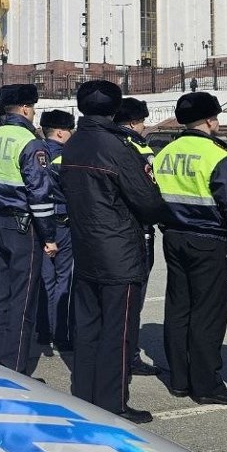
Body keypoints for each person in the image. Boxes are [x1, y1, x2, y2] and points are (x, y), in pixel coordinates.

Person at [60, 81, 170, 424]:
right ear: (114, 109)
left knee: (88, 325)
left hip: (85, 244)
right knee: (119, 330)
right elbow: (147, 201)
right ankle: (113, 402)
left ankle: (85, 393)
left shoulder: (75, 142)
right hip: (119, 247)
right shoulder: (118, 146)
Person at [154, 92, 227, 406]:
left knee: (179, 307)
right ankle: (206, 383)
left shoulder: (165, 153)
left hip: (174, 237)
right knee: (208, 313)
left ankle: (180, 379)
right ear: (211, 119)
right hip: (209, 241)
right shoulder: (216, 155)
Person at [0, 85, 58, 375]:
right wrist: (49, 236)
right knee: (23, 299)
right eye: (33, 108)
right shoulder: (30, 142)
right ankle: (16, 369)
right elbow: (40, 194)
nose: (34, 113)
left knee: (0, 294)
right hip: (24, 227)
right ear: (25, 108)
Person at [113, 97, 162, 377]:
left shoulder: (109, 144)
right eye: (142, 121)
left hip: (116, 230)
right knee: (134, 296)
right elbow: (147, 192)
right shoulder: (135, 148)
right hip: (138, 230)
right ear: (132, 123)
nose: (145, 127)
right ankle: (128, 355)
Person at [37, 109, 75, 352]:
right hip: (62, 221)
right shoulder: (66, 158)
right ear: (61, 132)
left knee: (45, 279)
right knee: (64, 279)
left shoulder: (35, 153)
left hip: (39, 222)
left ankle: (43, 331)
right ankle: (61, 333)